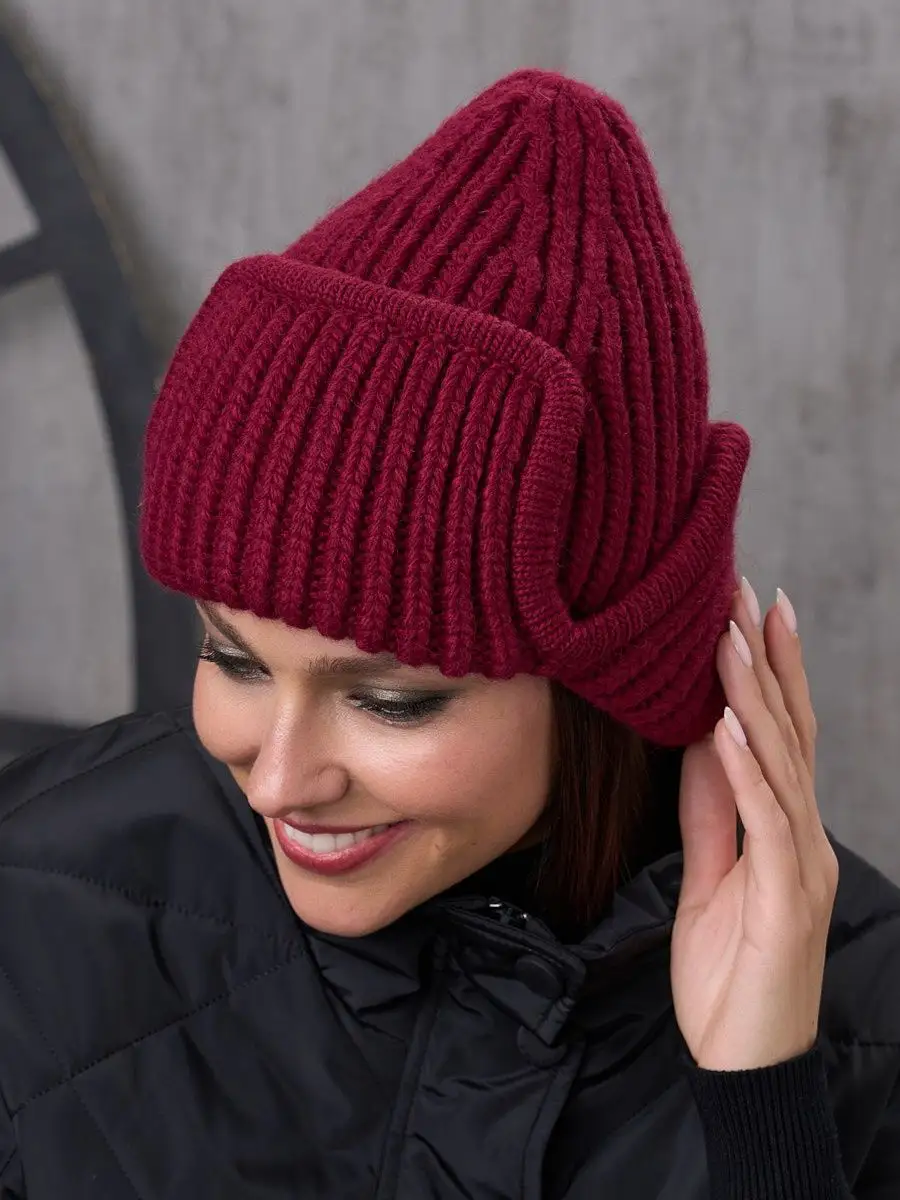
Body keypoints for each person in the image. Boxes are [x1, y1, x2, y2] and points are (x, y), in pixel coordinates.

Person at [0, 68, 897, 1199]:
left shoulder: (862, 1014)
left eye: (390, 700)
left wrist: (762, 1109)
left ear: (608, 684)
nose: (277, 779)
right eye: (233, 658)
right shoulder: (31, 914)